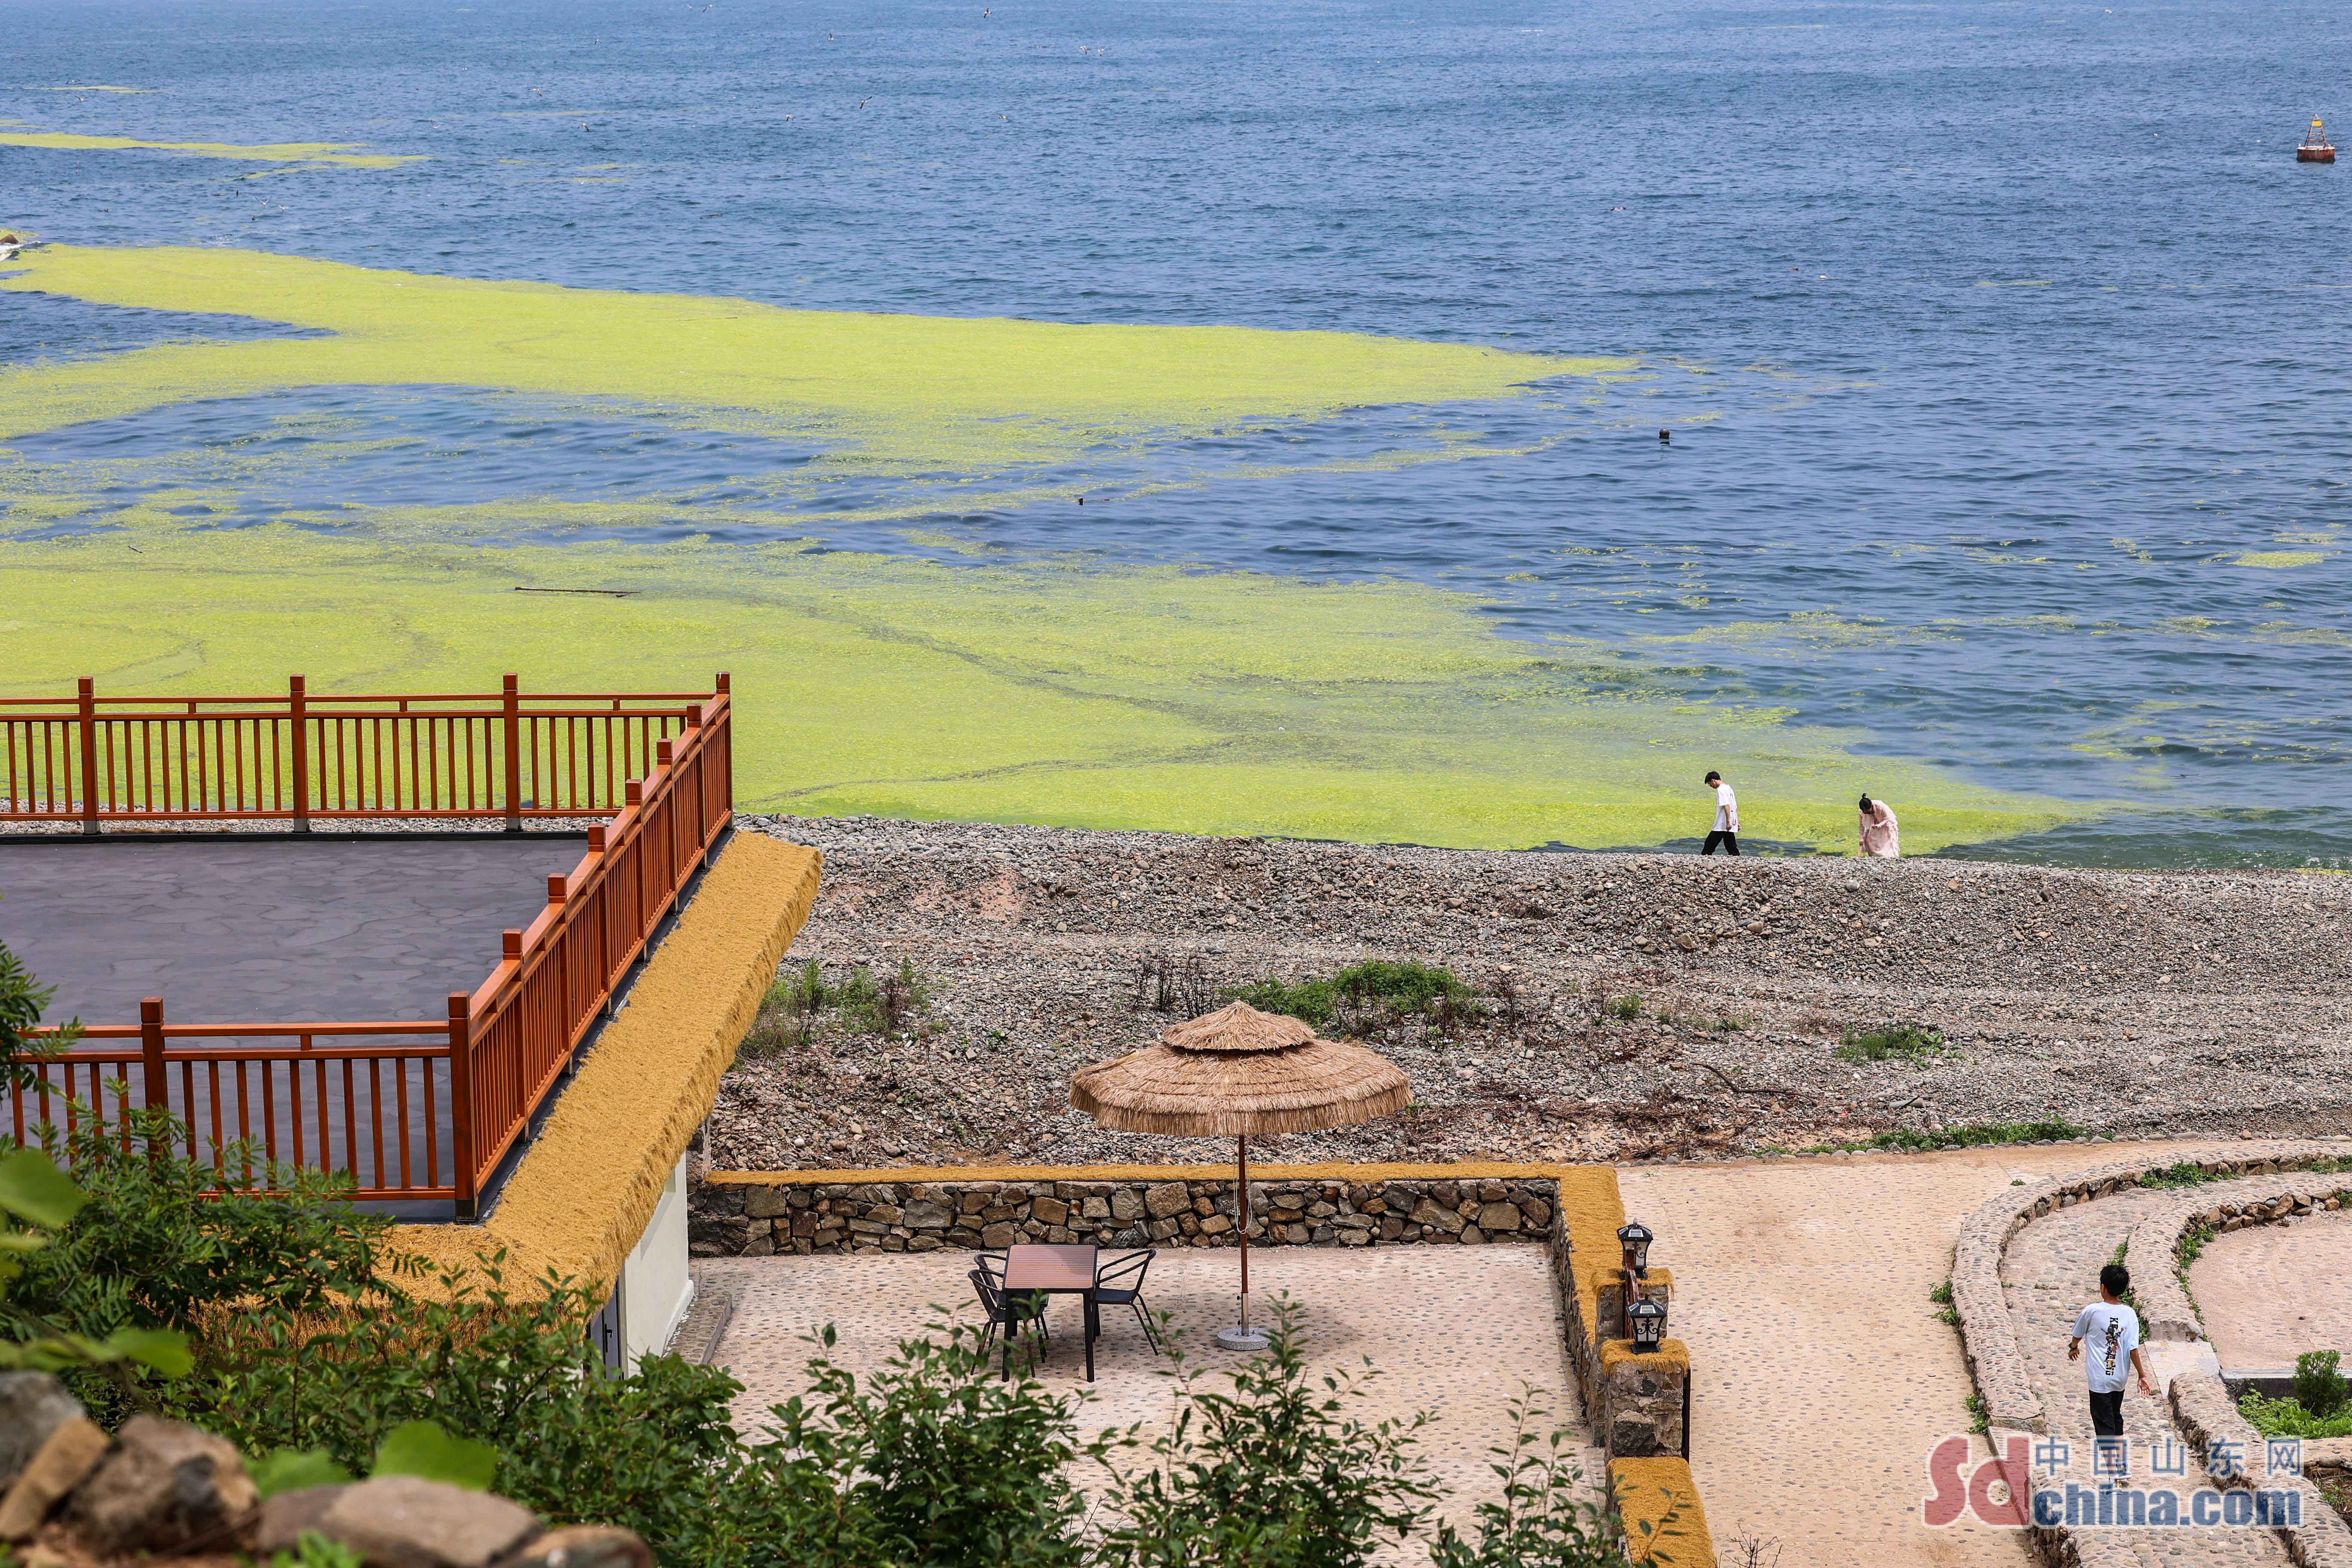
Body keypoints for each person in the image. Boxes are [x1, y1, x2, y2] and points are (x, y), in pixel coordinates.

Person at [2068, 1263, 2154, 1439]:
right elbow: (2133, 1350)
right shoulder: (2129, 1314)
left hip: (2100, 1378)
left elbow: (2078, 1334)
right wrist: (2142, 1375)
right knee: (2115, 1417)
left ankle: (2113, 1468)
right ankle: (2122, 1464)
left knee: (2104, 1424)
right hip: (2119, 1378)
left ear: (2103, 1287)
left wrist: (2073, 1347)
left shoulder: (2092, 1311)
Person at [1701, 771, 1739, 855]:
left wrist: (1729, 821)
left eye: (1709, 784)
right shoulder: (1729, 788)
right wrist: (1735, 822)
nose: (1711, 786)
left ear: (1713, 780)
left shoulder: (1721, 790)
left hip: (1723, 823)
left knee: (1709, 844)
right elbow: (1733, 805)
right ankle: (1737, 859)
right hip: (1729, 822)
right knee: (1731, 845)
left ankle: (1703, 859)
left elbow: (1727, 805)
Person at [1858, 795, 1900, 859]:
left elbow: (1887, 819)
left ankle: (1888, 857)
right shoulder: (1862, 811)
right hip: (1873, 822)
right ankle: (1875, 857)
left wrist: (1879, 825)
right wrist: (1861, 838)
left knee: (1886, 840)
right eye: (1866, 813)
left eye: (1869, 812)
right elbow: (1862, 825)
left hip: (1886, 822)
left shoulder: (1880, 806)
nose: (1868, 814)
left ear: (1872, 806)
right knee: (1871, 839)